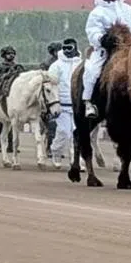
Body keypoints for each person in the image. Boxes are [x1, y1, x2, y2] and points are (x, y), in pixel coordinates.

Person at [82, 0, 131, 119]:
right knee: (92, 70)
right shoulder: (97, 12)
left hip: (129, 48)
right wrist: (102, 39)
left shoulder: (128, 9)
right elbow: (92, 31)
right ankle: (88, 102)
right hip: (107, 49)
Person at [47, 38, 81, 167]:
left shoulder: (81, 64)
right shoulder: (56, 65)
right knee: (64, 132)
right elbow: (50, 85)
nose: (66, 51)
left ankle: (76, 160)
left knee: (76, 132)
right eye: (64, 48)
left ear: (75, 48)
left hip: (78, 104)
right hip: (62, 105)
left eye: (69, 48)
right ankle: (55, 151)